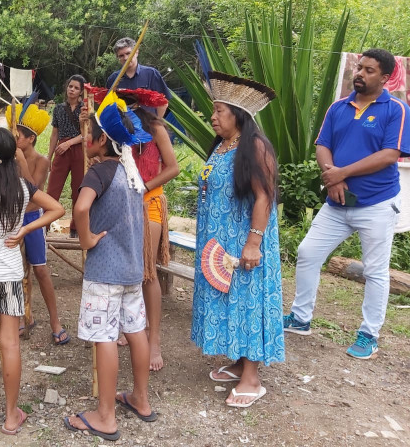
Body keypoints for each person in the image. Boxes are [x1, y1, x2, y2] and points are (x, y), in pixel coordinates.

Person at [284, 49, 410, 359]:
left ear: (384, 77)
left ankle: (369, 334)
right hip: (337, 203)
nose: (360, 73)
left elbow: (390, 155)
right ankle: (300, 318)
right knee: (308, 252)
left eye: (369, 70)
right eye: (359, 67)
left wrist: (344, 172)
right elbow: (323, 145)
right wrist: (334, 178)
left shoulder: (396, 109)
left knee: (376, 271)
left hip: (377, 204)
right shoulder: (338, 107)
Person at [0, 126, 65, 435]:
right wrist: (25, 230)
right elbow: (58, 208)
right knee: (10, 344)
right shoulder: (23, 187)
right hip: (10, 277)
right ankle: (10, 417)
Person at [64, 92, 156, 442]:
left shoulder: (99, 172)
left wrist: (85, 239)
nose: (86, 139)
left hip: (105, 272)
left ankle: (105, 416)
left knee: (104, 338)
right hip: (132, 270)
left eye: (91, 134)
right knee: (136, 331)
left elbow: (81, 209)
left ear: (103, 140)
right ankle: (141, 400)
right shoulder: (129, 172)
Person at [192, 71, 283, 408]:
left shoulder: (256, 147)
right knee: (231, 303)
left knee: (247, 302)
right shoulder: (221, 145)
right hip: (220, 243)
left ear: (238, 114)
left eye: (219, 111)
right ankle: (239, 362)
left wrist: (253, 243)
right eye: (212, 111)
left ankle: (252, 378)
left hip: (245, 242)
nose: (212, 117)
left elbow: (264, 197)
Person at [117, 89, 179, 372]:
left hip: (149, 203)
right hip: (123, 204)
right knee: (126, 270)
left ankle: (153, 340)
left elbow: (173, 168)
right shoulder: (116, 128)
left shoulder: (155, 128)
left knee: (147, 272)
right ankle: (130, 327)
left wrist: (144, 186)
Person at [7, 101, 69, 345]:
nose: (14, 141)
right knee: (15, 272)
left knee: (41, 270)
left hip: (32, 217)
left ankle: (55, 321)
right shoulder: (7, 157)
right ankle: (23, 317)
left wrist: (21, 162)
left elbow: (33, 189)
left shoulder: (42, 161)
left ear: (30, 139)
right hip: (12, 218)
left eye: (18, 136)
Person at [47, 74, 86, 238]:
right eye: (71, 86)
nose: (72, 90)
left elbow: (86, 134)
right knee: (53, 188)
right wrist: (48, 158)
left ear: (81, 92)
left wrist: (69, 143)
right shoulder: (58, 109)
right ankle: (44, 224)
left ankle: (75, 227)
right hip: (61, 151)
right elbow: (54, 133)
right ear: (67, 87)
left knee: (78, 190)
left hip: (78, 150)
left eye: (76, 88)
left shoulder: (85, 109)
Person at [105, 37, 169, 117]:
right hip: (124, 127)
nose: (125, 58)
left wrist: (156, 123)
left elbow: (163, 102)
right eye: (121, 56)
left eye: (128, 53)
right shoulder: (113, 79)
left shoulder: (151, 74)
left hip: (148, 127)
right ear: (118, 58)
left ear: (136, 52)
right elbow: (108, 106)